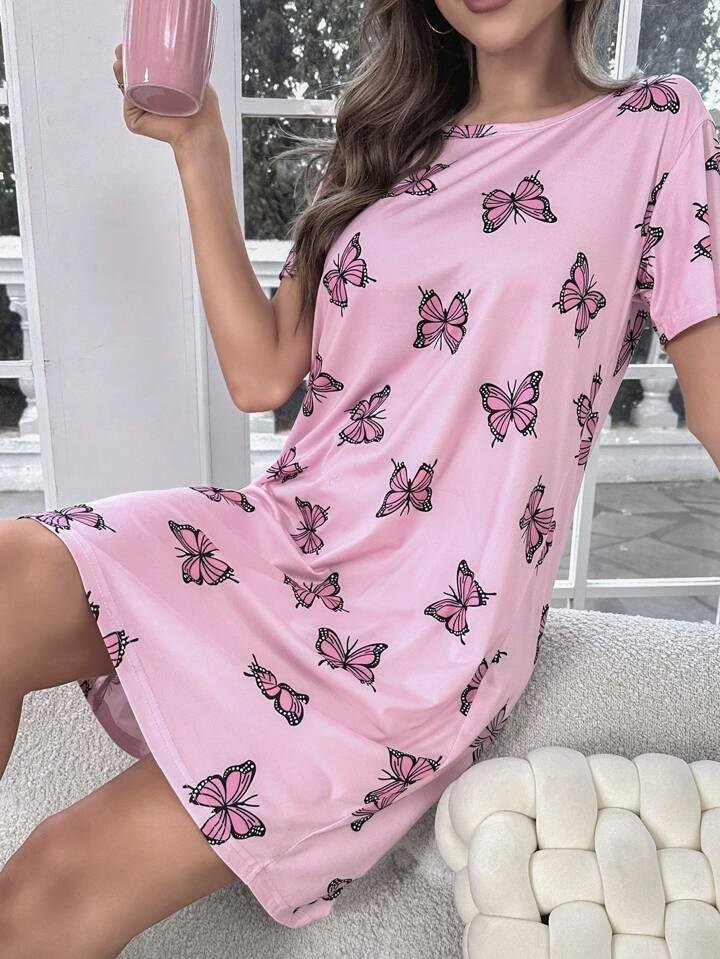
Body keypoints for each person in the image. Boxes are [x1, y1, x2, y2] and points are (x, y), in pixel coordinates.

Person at [1, 0, 719, 954]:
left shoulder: (655, 128)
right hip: (281, 539)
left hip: (422, 636)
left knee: (48, 886)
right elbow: (264, 372)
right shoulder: (382, 139)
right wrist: (199, 147)